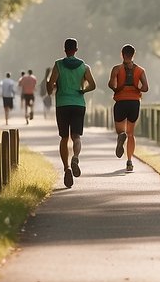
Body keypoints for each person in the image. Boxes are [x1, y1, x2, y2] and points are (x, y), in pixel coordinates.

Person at [46, 38, 96, 188]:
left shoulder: (58, 64)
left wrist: (51, 88)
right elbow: (93, 85)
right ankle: (75, 157)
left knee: (64, 137)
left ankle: (67, 168)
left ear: (64, 49)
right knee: (76, 137)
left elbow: (50, 85)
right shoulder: (84, 66)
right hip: (78, 104)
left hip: (62, 104)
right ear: (76, 49)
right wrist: (83, 90)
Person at [108, 44, 149, 172]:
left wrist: (117, 88)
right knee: (131, 134)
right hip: (134, 102)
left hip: (120, 102)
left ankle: (121, 135)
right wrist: (137, 88)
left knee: (120, 131)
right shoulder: (140, 70)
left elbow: (111, 84)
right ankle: (129, 161)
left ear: (122, 54)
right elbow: (146, 87)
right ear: (133, 55)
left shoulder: (116, 69)